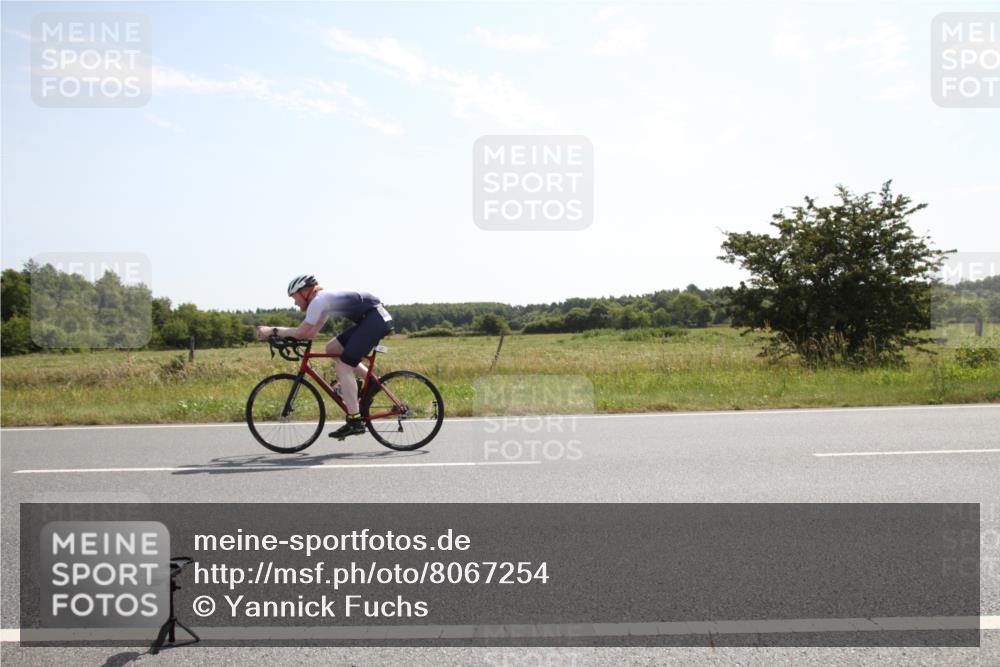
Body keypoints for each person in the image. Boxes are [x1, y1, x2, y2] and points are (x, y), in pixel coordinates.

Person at [256, 275, 393, 440]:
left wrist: (273, 330)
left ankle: (355, 420)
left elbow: (301, 332)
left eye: (294, 298)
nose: (295, 303)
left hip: (375, 320)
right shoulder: (323, 303)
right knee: (332, 348)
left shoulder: (319, 301)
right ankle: (371, 382)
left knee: (343, 366)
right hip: (371, 319)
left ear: (304, 292)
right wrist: (283, 336)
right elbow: (309, 334)